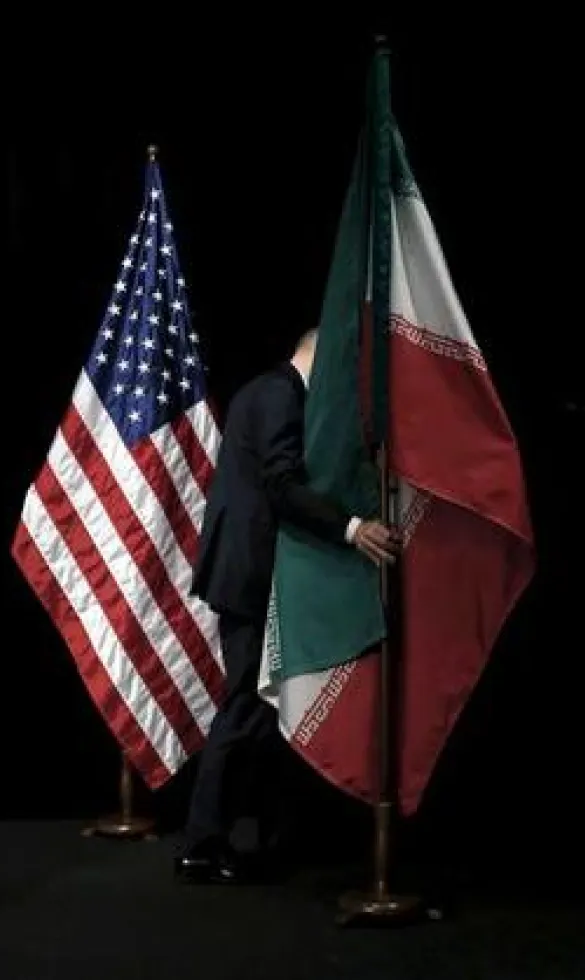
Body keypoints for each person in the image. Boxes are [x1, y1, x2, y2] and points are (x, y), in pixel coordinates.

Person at [177, 326, 397, 883]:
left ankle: (248, 833)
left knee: (256, 711)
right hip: (249, 574)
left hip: (250, 571)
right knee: (245, 708)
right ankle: (201, 843)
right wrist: (351, 528)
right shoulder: (280, 394)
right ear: (315, 359)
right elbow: (281, 484)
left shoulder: (266, 391)